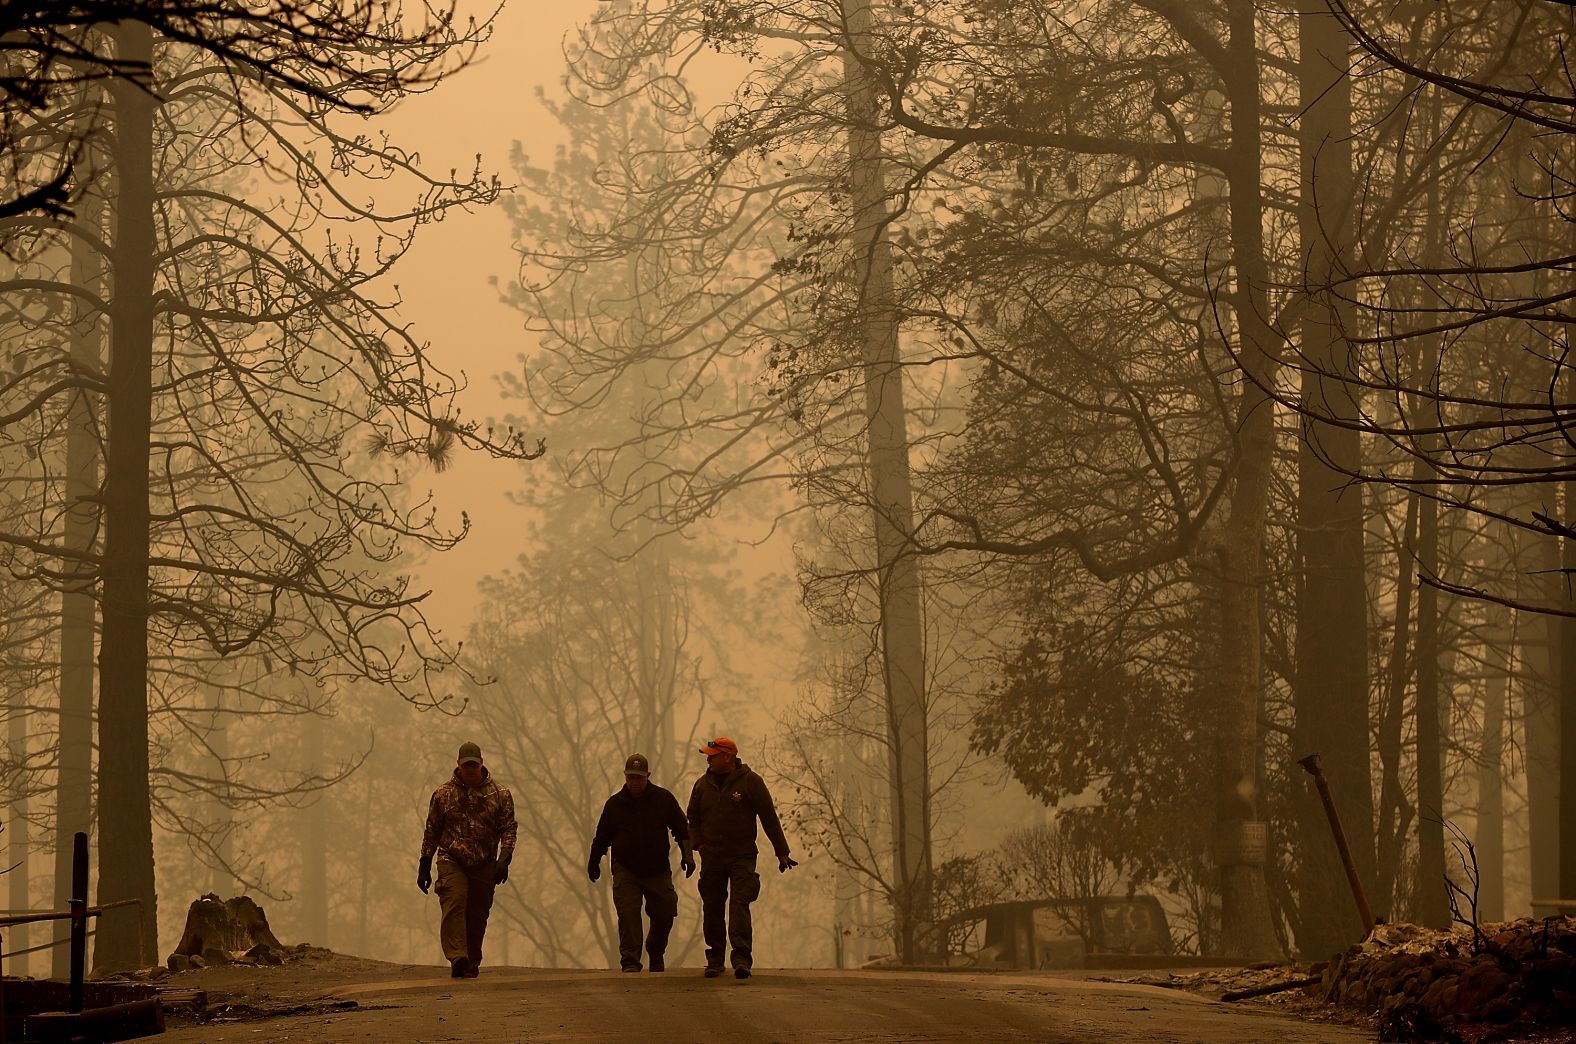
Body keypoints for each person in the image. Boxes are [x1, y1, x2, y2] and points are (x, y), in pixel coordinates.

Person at [686, 736, 796, 980]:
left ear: (728, 756)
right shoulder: (701, 785)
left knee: (739, 905)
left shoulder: (751, 782)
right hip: (712, 857)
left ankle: (741, 959)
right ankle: (715, 959)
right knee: (712, 907)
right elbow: (692, 818)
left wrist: (782, 852)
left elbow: (769, 817)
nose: (708, 759)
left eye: (712, 756)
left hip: (742, 857)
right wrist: (699, 844)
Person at [587, 752, 694, 973]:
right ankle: (630, 961)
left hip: (657, 869)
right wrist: (594, 860)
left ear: (648, 776)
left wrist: (687, 855)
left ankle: (655, 950)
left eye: (639, 778)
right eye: (631, 777)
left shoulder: (663, 799)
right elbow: (602, 836)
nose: (635, 782)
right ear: (625, 776)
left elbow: (681, 828)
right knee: (628, 912)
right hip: (626, 869)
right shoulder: (614, 805)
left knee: (665, 912)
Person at [418, 741, 517, 978]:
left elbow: (509, 829)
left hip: (484, 861)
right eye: (466, 766)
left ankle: (471, 960)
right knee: (455, 899)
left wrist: (504, 859)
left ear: (482, 764)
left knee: (478, 913)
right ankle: (457, 955)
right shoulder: (443, 795)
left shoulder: (500, 794)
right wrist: (424, 863)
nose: (470, 770)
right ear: (458, 766)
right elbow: (432, 830)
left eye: (474, 765)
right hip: (451, 858)